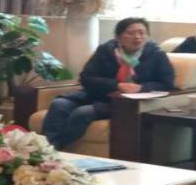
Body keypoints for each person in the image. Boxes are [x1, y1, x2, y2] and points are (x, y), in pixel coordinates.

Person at [40, 17, 175, 151]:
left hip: (121, 103)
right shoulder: (106, 50)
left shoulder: (156, 54)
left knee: (82, 113)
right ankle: (45, 149)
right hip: (95, 95)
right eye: (131, 33)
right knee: (59, 104)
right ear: (118, 37)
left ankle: (53, 148)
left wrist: (141, 87)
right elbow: (86, 77)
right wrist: (116, 85)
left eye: (142, 33)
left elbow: (166, 83)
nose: (137, 37)